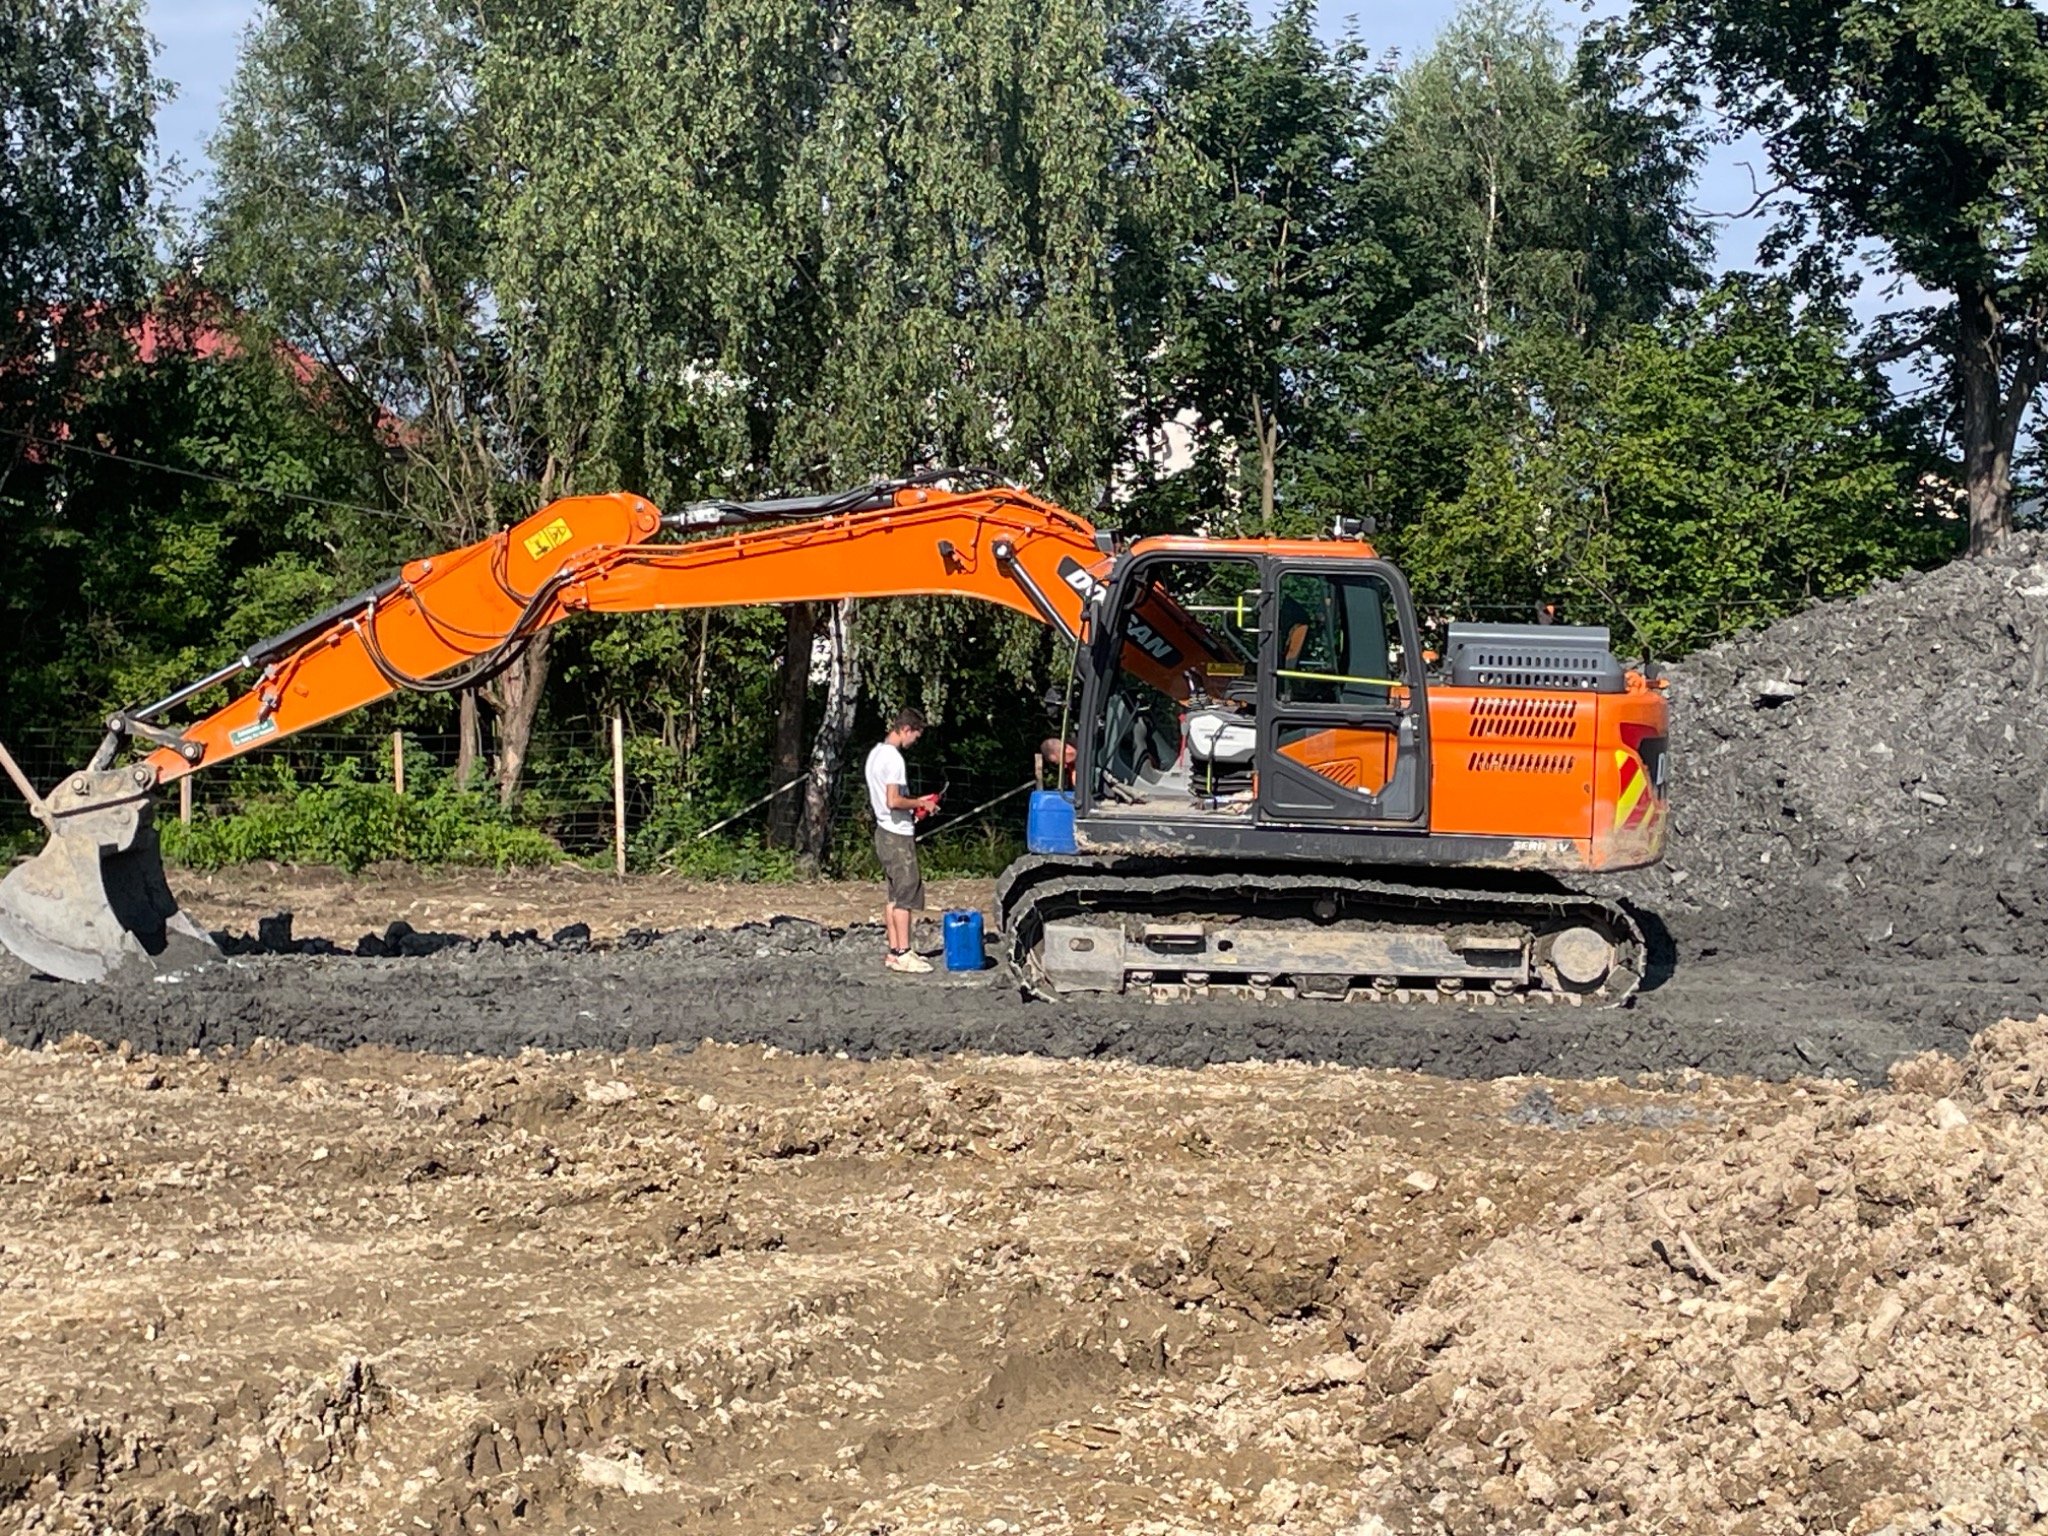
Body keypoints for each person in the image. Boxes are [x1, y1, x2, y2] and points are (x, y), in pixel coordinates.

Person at [865, 706, 939, 973]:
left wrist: (915, 805)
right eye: (915, 736)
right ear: (906, 729)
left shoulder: (875, 754)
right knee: (907, 893)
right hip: (897, 835)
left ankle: (895, 951)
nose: (914, 741)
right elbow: (893, 800)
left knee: (894, 895)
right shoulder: (894, 759)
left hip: (883, 831)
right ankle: (905, 953)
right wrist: (921, 803)